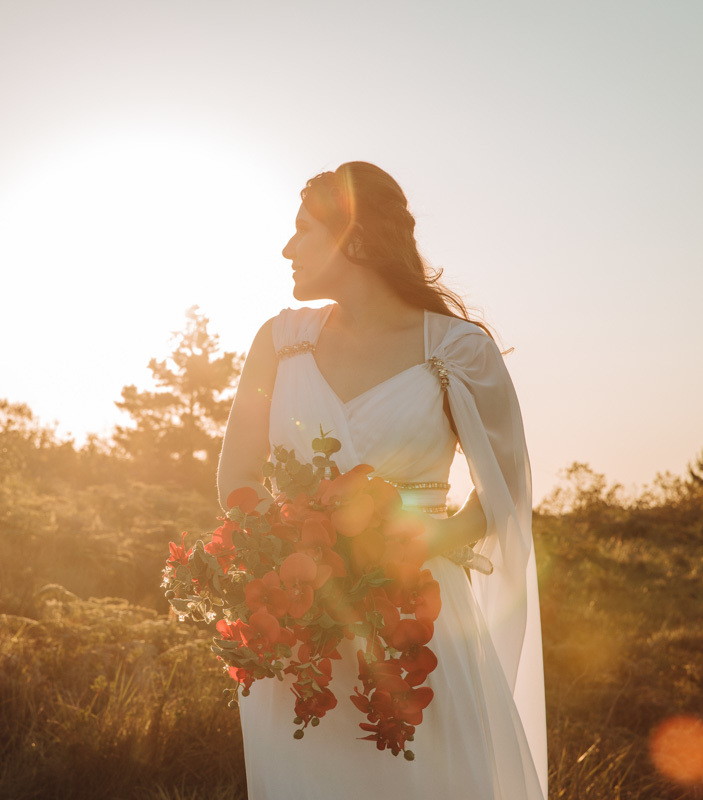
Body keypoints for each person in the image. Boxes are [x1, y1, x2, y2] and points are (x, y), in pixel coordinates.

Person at [217, 162, 547, 799]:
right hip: (299, 631)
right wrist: (289, 560)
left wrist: (427, 543)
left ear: (356, 242)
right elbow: (237, 475)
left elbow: (505, 491)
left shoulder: (458, 351)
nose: (287, 248)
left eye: (303, 230)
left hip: (419, 620)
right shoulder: (278, 343)